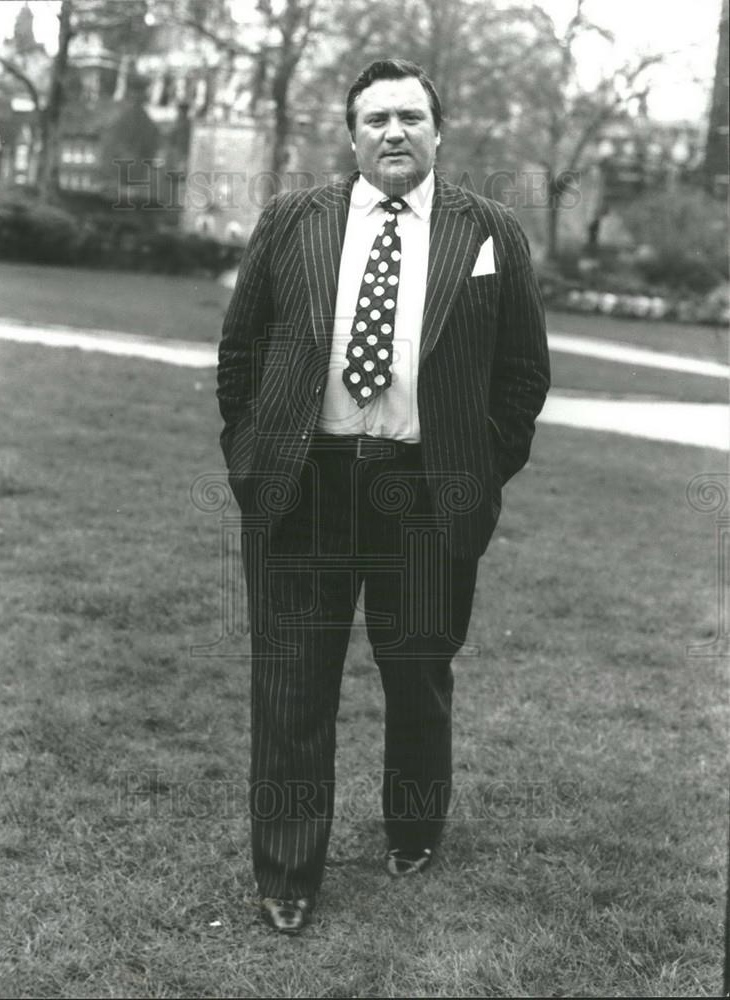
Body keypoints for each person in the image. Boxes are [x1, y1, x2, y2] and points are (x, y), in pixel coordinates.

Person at [217, 58, 550, 934]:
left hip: (427, 492)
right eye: (375, 120)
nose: (393, 132)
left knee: (417, 672)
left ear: (438, 132)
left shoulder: (491, 233)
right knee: (292, 681)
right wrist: (250, 456)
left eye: (409, 116)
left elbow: (521, 377)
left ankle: (413, 826)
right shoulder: (294, 220)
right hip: (304, 486)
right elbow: (240, 353)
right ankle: (288, 871)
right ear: (352, 135)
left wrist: (475, 481)